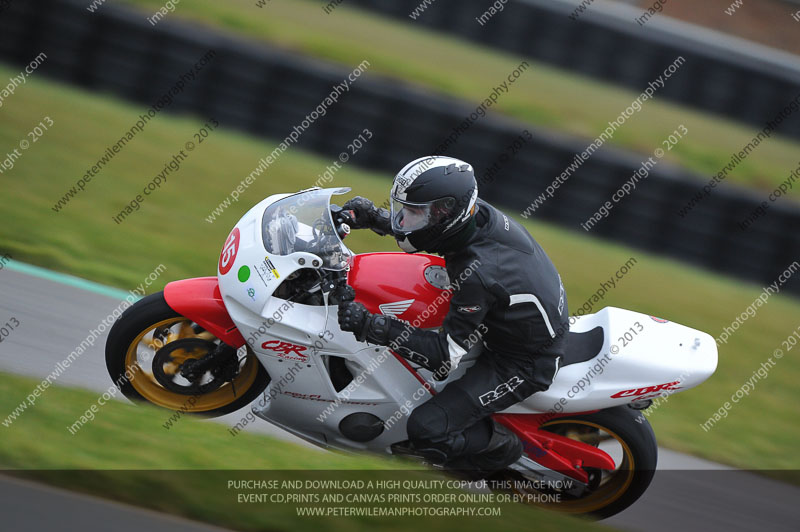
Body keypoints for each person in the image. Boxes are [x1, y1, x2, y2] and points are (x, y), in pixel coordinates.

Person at [336, 155, 568, 476]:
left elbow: (444, 357)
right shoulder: (472, 214)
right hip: (515, 315)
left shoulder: (477, 274)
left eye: (413, 212)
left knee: (427, 429)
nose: (404, 219)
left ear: (446, 212)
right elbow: (429, 229)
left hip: (523, 362)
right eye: (405, 209)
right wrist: (375, 217)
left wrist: (369, 324)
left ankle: (506, 449)